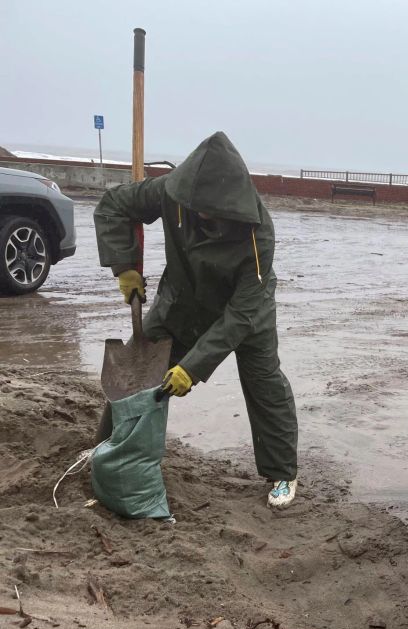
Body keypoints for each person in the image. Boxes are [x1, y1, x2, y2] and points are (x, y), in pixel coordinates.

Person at [93, 131, 298, 509]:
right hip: (181, 300)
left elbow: (238, 317)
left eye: (208, 207)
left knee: (264, 381)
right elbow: (113, 206)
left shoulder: (258, 235)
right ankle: (107, 452)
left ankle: (282, 470)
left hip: (246, 310)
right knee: (137, 371)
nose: (198, 211)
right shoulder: (173, 192)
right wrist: (125, 267)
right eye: (194, 204)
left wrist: (192, 367)